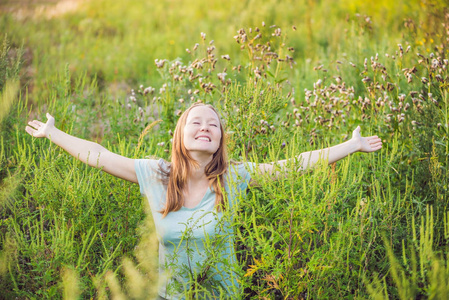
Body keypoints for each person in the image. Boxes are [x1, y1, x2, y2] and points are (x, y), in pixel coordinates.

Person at [25, 103, 382, 299]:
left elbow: (292, 166)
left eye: (213, 124)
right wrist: (53, 133)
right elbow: (99, 154)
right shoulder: (155, 174)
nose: (206, 127)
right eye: (196, 121)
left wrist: (349, 146)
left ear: (220, 138)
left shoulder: (236, 177)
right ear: (180, 134)